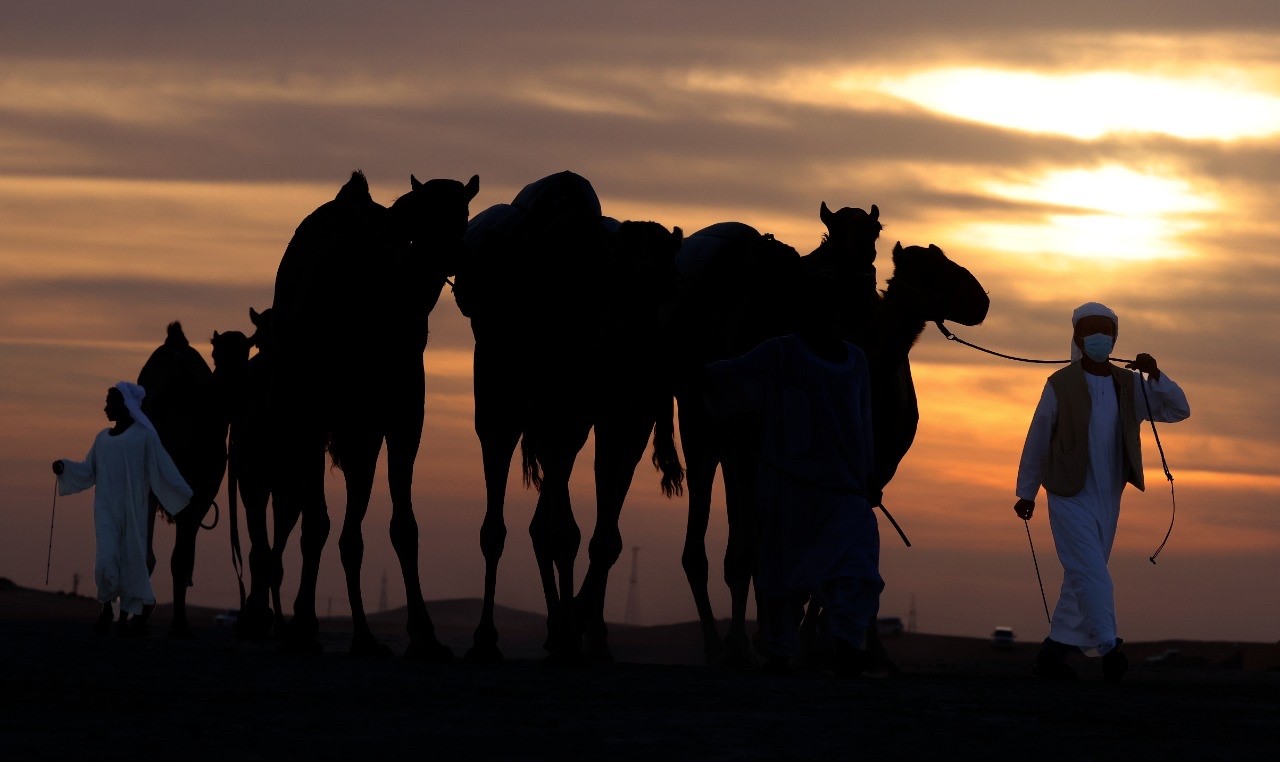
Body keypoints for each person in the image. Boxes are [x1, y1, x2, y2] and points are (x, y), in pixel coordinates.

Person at [703, 276, 882, 677]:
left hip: (846, 491)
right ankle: (781, 652)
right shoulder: (779, 354)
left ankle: (848, 648)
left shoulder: (856, 362)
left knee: (857, 569)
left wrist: (869, 477)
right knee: (783, 574)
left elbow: (863, 422)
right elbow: (726, 377)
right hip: (790, 491)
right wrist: (697, 375)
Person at [1014, 302, 1190, 680]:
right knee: (1091, 571)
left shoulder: (1129, 385)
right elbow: (1038, 438)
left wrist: (1155, 374)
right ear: (1077, 337)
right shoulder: (1060, 384)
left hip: (1108, 495)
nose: (1099, 337)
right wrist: (1026, 491)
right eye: (1091, 330)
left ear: (1114, 337)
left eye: (1105, 331)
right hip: (1066, 493)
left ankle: (1053, 653)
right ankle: (1110, 647)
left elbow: (1178, 409)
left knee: (1080, 572)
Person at [53, 382, 192, 636]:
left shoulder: (144, 437)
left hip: (133, 511)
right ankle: (107, 608)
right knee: (106, 561)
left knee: (132, 563)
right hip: (106, 511)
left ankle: (133, 613)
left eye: (110, 404)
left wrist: (183, 496)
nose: (106, 409)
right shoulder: (102, 439)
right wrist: (64, 467)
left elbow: (163, 469)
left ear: (124, 406)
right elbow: (88, 470)